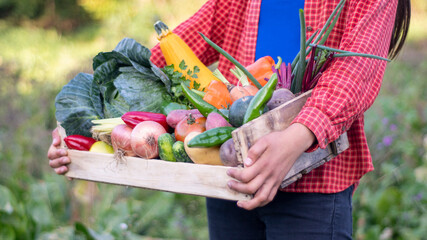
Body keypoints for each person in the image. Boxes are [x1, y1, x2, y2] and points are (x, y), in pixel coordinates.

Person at [48, 0, 410, 239]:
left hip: (313, 187)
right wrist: (83, 126)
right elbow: (169, 55)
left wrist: (297, 136)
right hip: (229, 179)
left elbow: (356, 71)